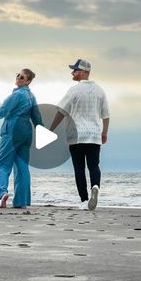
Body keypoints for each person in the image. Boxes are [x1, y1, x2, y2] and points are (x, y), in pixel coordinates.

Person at [0, 68, 43, 209]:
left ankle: (2, 194)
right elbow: (37, 118)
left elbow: (1, 111)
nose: (18, 78)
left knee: (1, 165)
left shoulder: (17, 95)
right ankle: (21, 201)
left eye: (22, 77)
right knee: (22, 166)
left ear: (28, 81)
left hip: (12, 131)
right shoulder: (32, 97)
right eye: (18, 75)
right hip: (26, 134)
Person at [50, 59, 110, 211]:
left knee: (79, 168)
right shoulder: (100, 91)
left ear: (83, 71)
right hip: (94, 135)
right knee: (94, 166)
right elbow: (106, 115)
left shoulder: (73, 90)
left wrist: (51, 129)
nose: (73, 72)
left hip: (76, 136)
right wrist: (104, 132)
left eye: (75, 70)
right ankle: (95, 186)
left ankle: (84, 201)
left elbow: (61, 111)